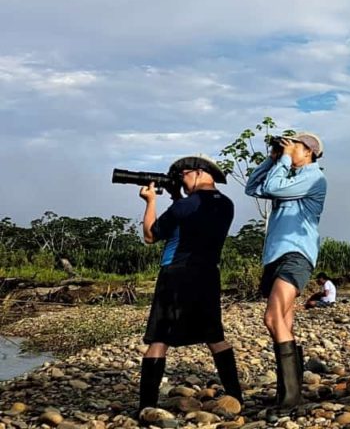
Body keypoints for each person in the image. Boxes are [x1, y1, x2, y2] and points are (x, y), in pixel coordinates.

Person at [137, 155, 241, 412]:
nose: (180, 181)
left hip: (176, 273)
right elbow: (192, 219)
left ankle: (146, 406)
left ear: (198, 172)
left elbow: (150, 235)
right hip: (208, 274)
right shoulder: (226, 204)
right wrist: (177, 197)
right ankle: (236, 396)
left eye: (182, 175)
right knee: (215, 336)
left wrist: (151, 202)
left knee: (159, 338)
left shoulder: (185, 205)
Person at [245, 132, 328, 408]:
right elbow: (253, 187)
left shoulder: (315, 177)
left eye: (295, 146)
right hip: (276, 255)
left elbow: (275, 189)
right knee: (284, 320)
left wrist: (282, 160)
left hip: (296, 252)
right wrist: (271, 160)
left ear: (310, 152)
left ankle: (292, 396)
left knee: (272, 317)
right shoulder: (286, 174)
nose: (289, 150)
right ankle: (287, 391)